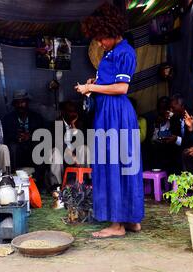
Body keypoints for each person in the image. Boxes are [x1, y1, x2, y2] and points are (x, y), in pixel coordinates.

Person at [75, 3, 144, 238]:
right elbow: (108, 83)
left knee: (115, 163)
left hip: (116, 113)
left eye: (101, 38)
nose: (100, 42)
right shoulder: (110, 53)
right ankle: (131, 218)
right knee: (124, 164)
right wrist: (94, 84)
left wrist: (91, 87)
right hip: (107, 112)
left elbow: (122, 88)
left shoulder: (125, 51)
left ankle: (117, 226)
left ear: (112, 31)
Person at [46, 100, 90, 191]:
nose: (72, 114)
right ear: (63, 112)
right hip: (62, 154)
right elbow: (57, 142)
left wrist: (74, 128)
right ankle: (56, 187)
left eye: (74, 111)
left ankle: (85, 182)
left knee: (84, 149)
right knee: (55, 152)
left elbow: (85, 141)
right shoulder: (56, 123)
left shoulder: (79, 123)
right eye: (70, 112)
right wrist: (70, 154)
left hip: (75, 154)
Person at [2, 90, 45, 180]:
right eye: (17, 103)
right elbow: (5, 136)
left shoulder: (36, 117)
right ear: (14, 105)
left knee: (38, 146)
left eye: (23, 102)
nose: (20, 105)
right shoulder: (8, 118)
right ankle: (13, 177)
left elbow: (43, 133)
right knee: (12, 147)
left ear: (27, 102)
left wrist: (30, 136)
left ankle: (39, 180)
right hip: (17, 148)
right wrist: (17, 137)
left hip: (32, 146)